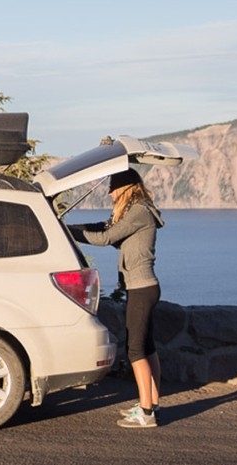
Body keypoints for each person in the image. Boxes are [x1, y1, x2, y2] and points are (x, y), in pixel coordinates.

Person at [68, 169, 163, 429]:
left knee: (135, 350)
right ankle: (152, 403)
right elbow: (104, 227)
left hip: (141, 288)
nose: (110, 193)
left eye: (112, 188)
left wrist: (70, 234)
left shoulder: (138, 211)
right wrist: (69, 229)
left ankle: (146, 413)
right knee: (148, 347)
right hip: (143, 287)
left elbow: (106, 238)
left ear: (124, 188)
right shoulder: (136, 210)